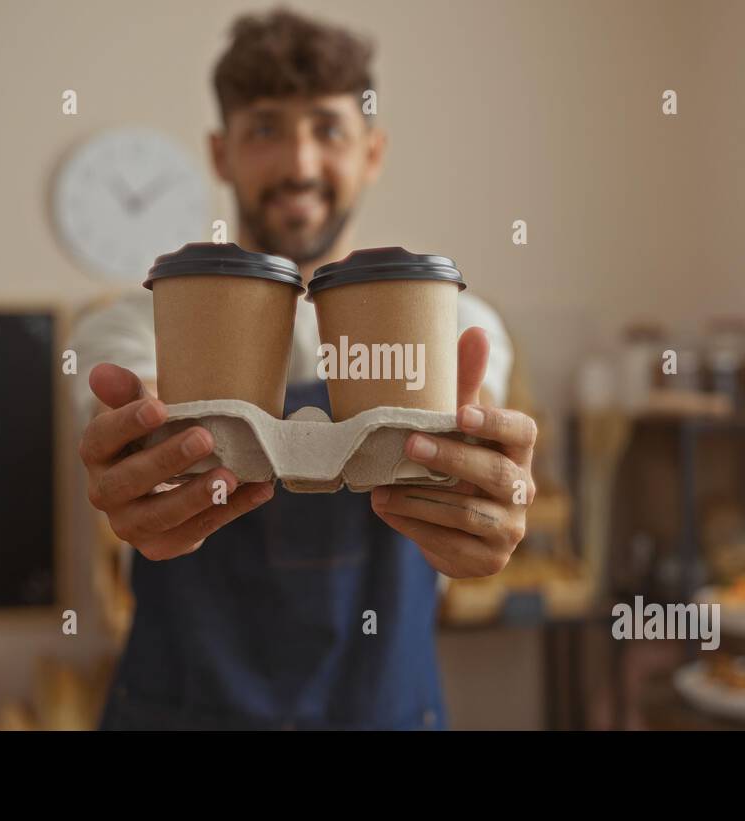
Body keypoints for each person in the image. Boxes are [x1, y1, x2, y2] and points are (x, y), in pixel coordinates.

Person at [71, 7, 537, 730]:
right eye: (264, 129)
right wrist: (144, 457)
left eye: (328, 129)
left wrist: (487, 503)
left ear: (373, 151)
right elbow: (116, 412)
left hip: (385, 708)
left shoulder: (457, 328)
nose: (298, 164)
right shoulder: (138, 325)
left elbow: (477, 462)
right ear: (221, 154)